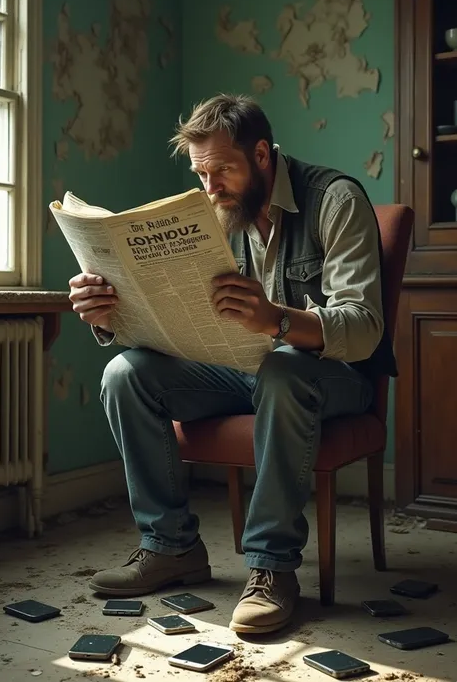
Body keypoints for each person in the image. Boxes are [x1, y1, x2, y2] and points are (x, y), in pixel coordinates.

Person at [68, 93, 397, 635]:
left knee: (284, 369)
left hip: (333, 376)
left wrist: (276, 320)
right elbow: (179, 317)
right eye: (201, 173)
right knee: (125, 374)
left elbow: (362, 327)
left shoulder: (335, 200)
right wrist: (109, 312)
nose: (210, 187)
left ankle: (272, 569)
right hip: (243, 369)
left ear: (263, 155)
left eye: (222, 170)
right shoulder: (215, 212)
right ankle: (171, 547)